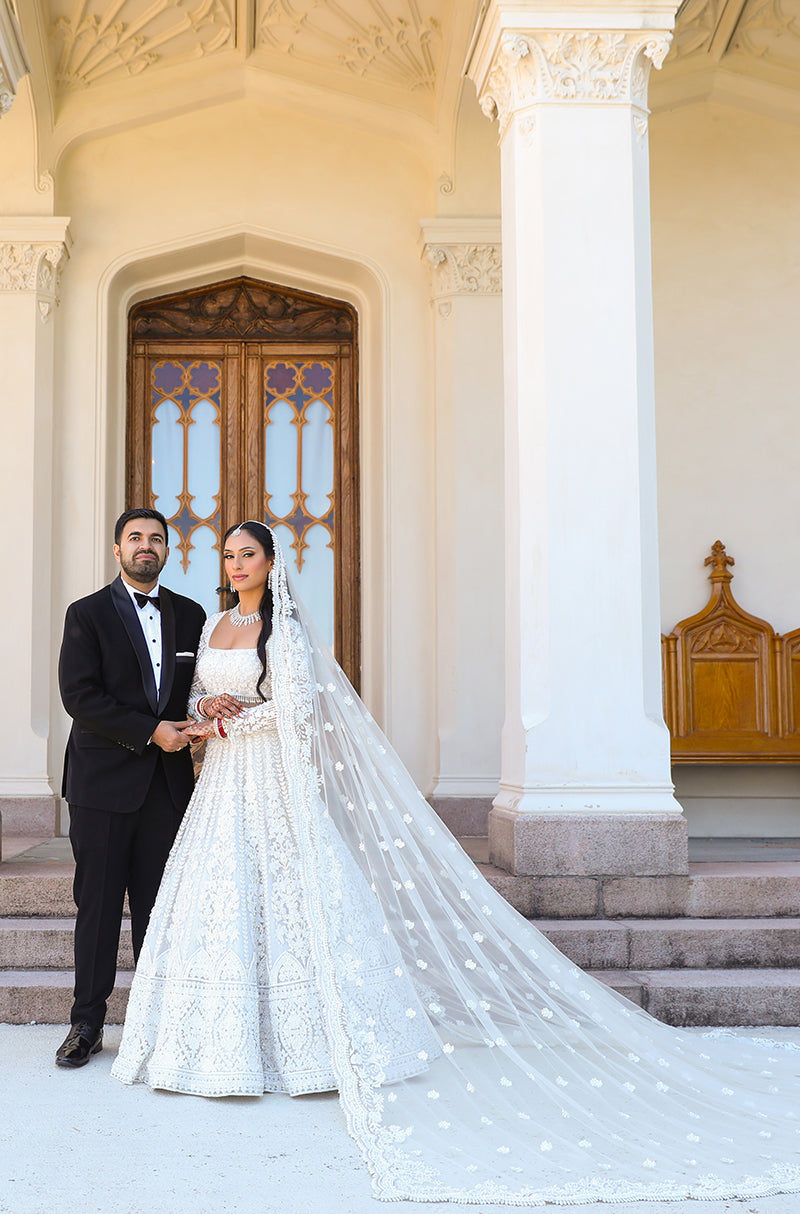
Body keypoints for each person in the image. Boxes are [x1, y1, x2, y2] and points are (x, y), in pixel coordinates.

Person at [113, 521, 800, 1206]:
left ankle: (313, 1048)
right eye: (229, 556)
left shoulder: (283, 633)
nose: (237, 565)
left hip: (273, 782)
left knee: (296, 900)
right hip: (224, 788)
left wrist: (224, 723)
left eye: (249, 555)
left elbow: (295, 711)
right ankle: (221, 1045)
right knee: (223, 901)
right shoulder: (210, 628)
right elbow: (198, 693)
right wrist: (207, 705)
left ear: (271, 563)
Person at [56, 508, 205, 1067]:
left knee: (157, 909)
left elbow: (195, 688)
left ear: (168, 551)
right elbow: (80, 697)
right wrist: (150, 732)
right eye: (135, 538)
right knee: (96, 907)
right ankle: (85, 1025)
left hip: (167, 790)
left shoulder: (191, 616)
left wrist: (202, 716)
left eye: (156, 539)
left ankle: (153, 1024)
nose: (147, 546)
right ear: (117, 549)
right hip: (101, 786)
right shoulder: (86, 614)